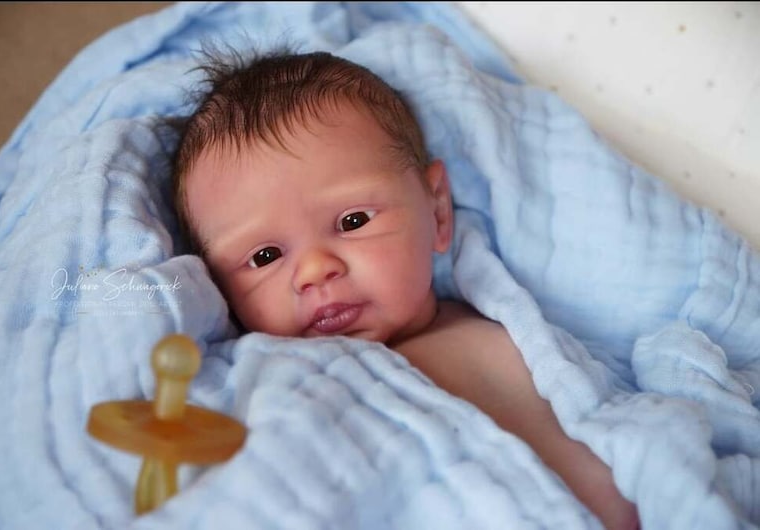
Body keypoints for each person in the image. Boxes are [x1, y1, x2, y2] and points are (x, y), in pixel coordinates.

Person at [172, 47, 639, 530]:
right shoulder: (267, 382)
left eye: (352, 221)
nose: (314, 270)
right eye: (265, 257)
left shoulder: (504, 324)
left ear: (437, 212)